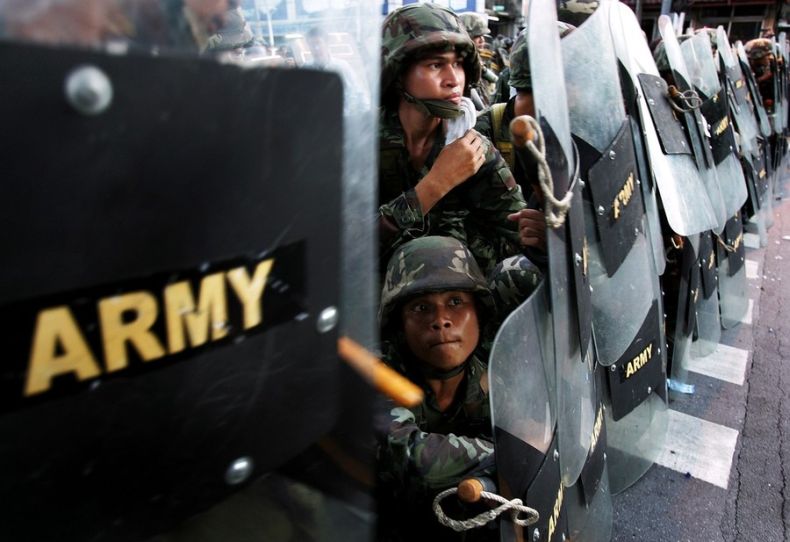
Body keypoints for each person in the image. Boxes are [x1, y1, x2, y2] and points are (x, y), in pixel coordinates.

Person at [378, 2, 536, 292]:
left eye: (459, 64)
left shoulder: (471, 147)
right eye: (436, 65)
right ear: (398, 74)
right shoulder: (363, 145)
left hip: (458, 298)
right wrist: (435, 185)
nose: (454, 80)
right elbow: (346, 245)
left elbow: (516, 228)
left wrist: (542, 235)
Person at [375, 236, 499, 542]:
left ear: (478, 315)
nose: (441, 320)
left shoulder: (494, 373)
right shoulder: (377, 372)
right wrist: (506, 456)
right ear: (399, 327)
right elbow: (409, 457)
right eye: (421, 308)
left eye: (455, 302)